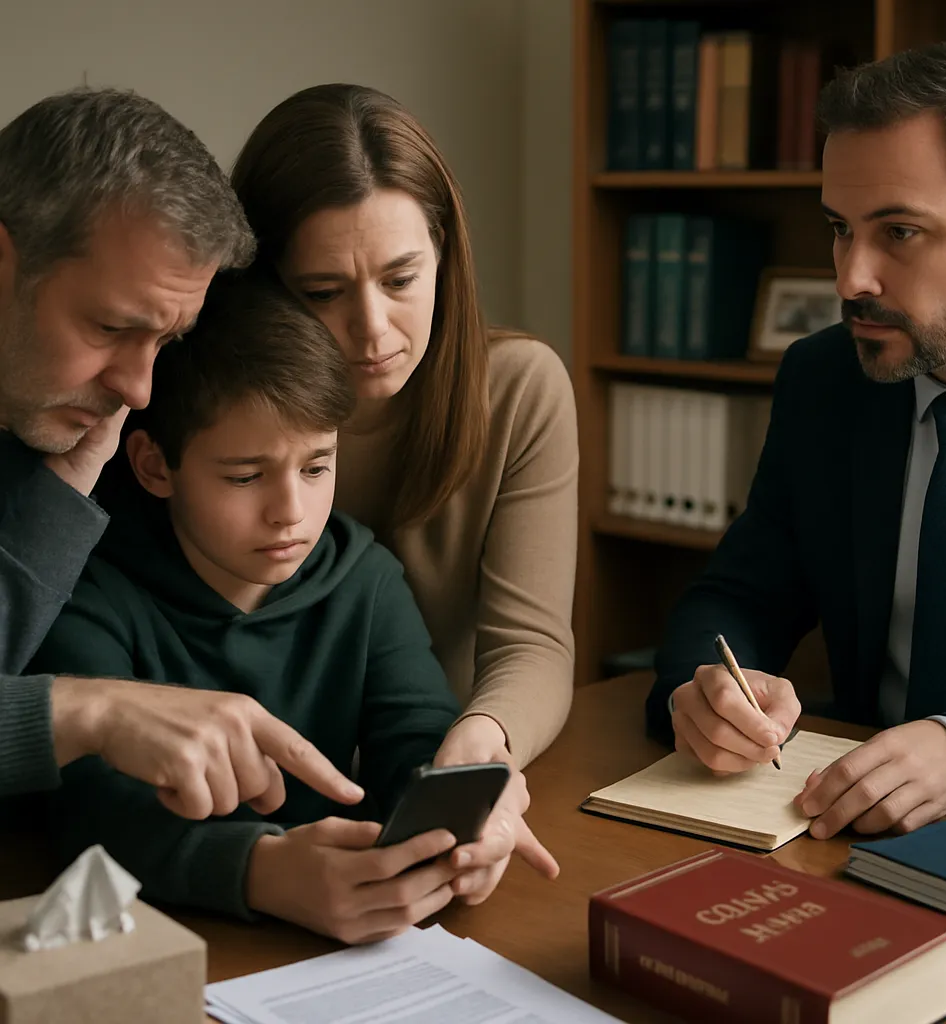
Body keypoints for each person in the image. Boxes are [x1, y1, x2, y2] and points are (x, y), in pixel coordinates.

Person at [31, 274, 555, 942]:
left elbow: (418, 742)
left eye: (317, 467)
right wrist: (261, 871)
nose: (291, 512)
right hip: (159, 946)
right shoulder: (91, 594)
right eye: (246, 477)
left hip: (338, 942)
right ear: (154, 466)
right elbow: (93, 814)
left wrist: (465, 832)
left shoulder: (364, 579)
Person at [649, 41, 946, 840]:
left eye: (899, 232)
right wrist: (711, 685)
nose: (851, 277)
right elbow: (738, 595)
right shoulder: (826, 380)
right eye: (838, 228)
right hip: (844, 829)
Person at [0, 88, 361, 819]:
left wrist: (67, 482)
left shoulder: (74, 429)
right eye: (110, 326)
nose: (139, 387)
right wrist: (92, 713)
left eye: (166, 341)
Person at [230, 89, 578, 769]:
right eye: (323, 293)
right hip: (259, 786)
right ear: (264, 285)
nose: (372, 329)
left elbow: (531, 644)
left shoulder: (519, 390)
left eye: (400, 279)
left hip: (435, 758)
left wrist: (483, 745)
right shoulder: (211, 413)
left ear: (441, 252)